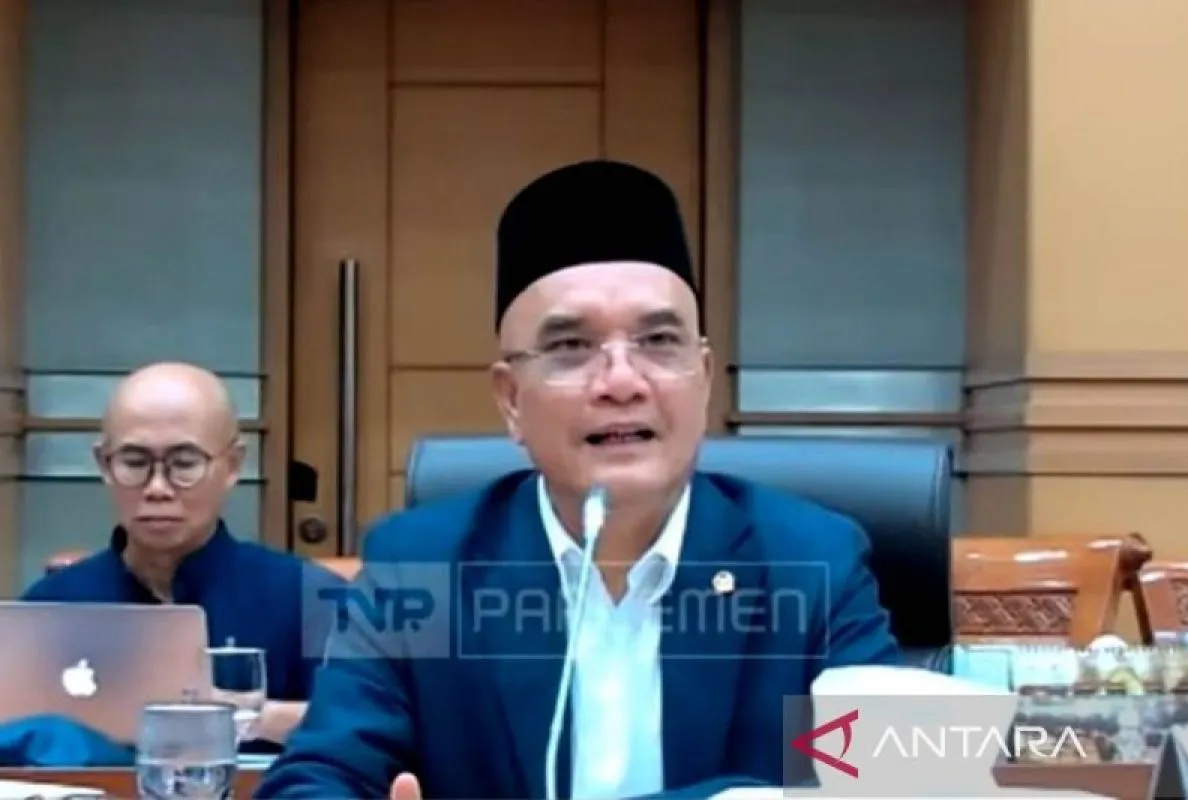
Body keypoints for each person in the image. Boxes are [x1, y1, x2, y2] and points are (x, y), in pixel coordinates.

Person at [256, 160, 901, 799]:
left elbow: (902, 781)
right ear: (511, 399)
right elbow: (312, 780)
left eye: (659, 341)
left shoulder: (813, 563)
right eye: (570, 348)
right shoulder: (418, 567)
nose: (621, 382)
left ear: (704, 379)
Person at [21, 362, 345, 750]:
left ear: (233, 465)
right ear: (104, 465)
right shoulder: (51, 607)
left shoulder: (309, 597)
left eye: (185, 464)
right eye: (134, 463)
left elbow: (374, 725)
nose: (157, 488)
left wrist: (255, 718)